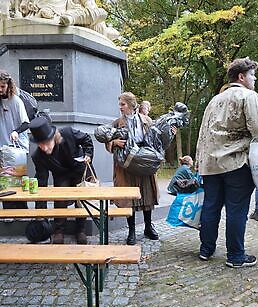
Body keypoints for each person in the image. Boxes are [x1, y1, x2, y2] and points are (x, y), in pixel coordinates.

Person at [196, 57, 258, 268]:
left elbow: (202, 133)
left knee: (211, 206)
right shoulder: (249, 96)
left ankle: (206, 249)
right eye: (252, 75)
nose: (255, 79)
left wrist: (199, 162)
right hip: (236, 162)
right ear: (241, 77)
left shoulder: (214, 100)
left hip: (210, 164)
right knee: (236, 209)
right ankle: (235, 256)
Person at [106, 92, 167, 245]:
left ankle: (148, 227)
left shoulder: (146, 120)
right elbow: (107, 142)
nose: (120, 107)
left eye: (123, 104)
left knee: (147, 195)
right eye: (119, 104)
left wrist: (168, 133)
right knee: (129, 198)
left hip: (144, 162)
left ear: (132, 105)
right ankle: (131, 231)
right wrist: (114, 144)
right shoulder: (116, 123)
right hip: (126, 165)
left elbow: (157, 139)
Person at [29, 116, 95, 244]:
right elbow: (41, 182)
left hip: (79, 169)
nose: (45, 148)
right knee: (59, 198)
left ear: (54, 137)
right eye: (41, 144)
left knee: (81, 200)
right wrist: (40, 214)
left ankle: (80, 229)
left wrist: (88, 154)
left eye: (47, 143)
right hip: (61, 174)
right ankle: (58, 230)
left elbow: (86, 139)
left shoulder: (68, 133)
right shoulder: (38, 156)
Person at [0, 69, 29, 209]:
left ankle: (21, 212)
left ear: (8, 85)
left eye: (2, 86)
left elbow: (26, 123)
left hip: (17, 148)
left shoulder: (16, 101)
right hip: (2, 148)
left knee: (17, 181)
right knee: (5, 182)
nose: (0, 89)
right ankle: (8, 214)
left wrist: (16, 131)